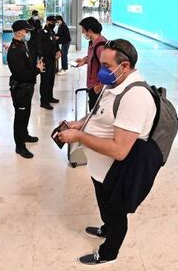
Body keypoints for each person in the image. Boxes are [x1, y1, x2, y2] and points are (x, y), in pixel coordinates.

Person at [58, 39, 157, 266]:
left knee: (115, 211)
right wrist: (80, 124)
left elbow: (120, 150)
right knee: (104, 204)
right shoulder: (114, 84)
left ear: (125, 66)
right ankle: (106, 228)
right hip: (100, 168)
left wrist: (80, 137)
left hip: (116, 171)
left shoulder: (135, 97)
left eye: (105, 66)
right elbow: (99, 114)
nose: (101, 71)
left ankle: (109, 252)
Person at [7, 20, 45, 159]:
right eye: (25, 31)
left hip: (27, 87)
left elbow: (26, 65)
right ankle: (19, 146)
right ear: (18, 32)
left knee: (26, 113)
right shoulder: (15, 50)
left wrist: (34, 66)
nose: (27, 33)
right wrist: (37, 70)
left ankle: (24, 135)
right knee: (20, 117)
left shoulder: (22, 45)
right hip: (21, 88)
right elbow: (21, 74)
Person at [75, 17, 106, 110]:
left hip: (97, 88)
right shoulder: (93, 43)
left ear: (89, 31)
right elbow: (94, 58)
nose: (82, 33)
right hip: (92, 86)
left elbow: (107, 68)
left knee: (95, 116)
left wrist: (98, 87)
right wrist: (85, 60)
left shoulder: (100, 46)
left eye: (83, 30)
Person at [38, 15, 61, 110]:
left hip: (52, 59)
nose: (54, 24)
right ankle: (44, 101)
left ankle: (50, 97)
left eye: (55, 23)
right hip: (45, 60)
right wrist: (42, 58)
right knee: (45, 81)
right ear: (48, 22)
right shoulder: (41, 32)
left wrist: (58, 51)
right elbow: (39, 47)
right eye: (52, 22)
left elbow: (55, 43)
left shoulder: (52, 32)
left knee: (51, 79)